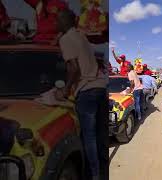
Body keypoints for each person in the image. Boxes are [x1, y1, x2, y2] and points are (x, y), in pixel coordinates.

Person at [55, 10, 107, 180]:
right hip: (100, 88)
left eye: (58, 20)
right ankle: (103, 170)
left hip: (86, 91)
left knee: (88, 137)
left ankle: (94, 175)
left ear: (63, 22)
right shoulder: (81, 36)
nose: (56, 23)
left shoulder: (65, 39)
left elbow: (74, 69)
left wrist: (66, 89)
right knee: (100, 134)